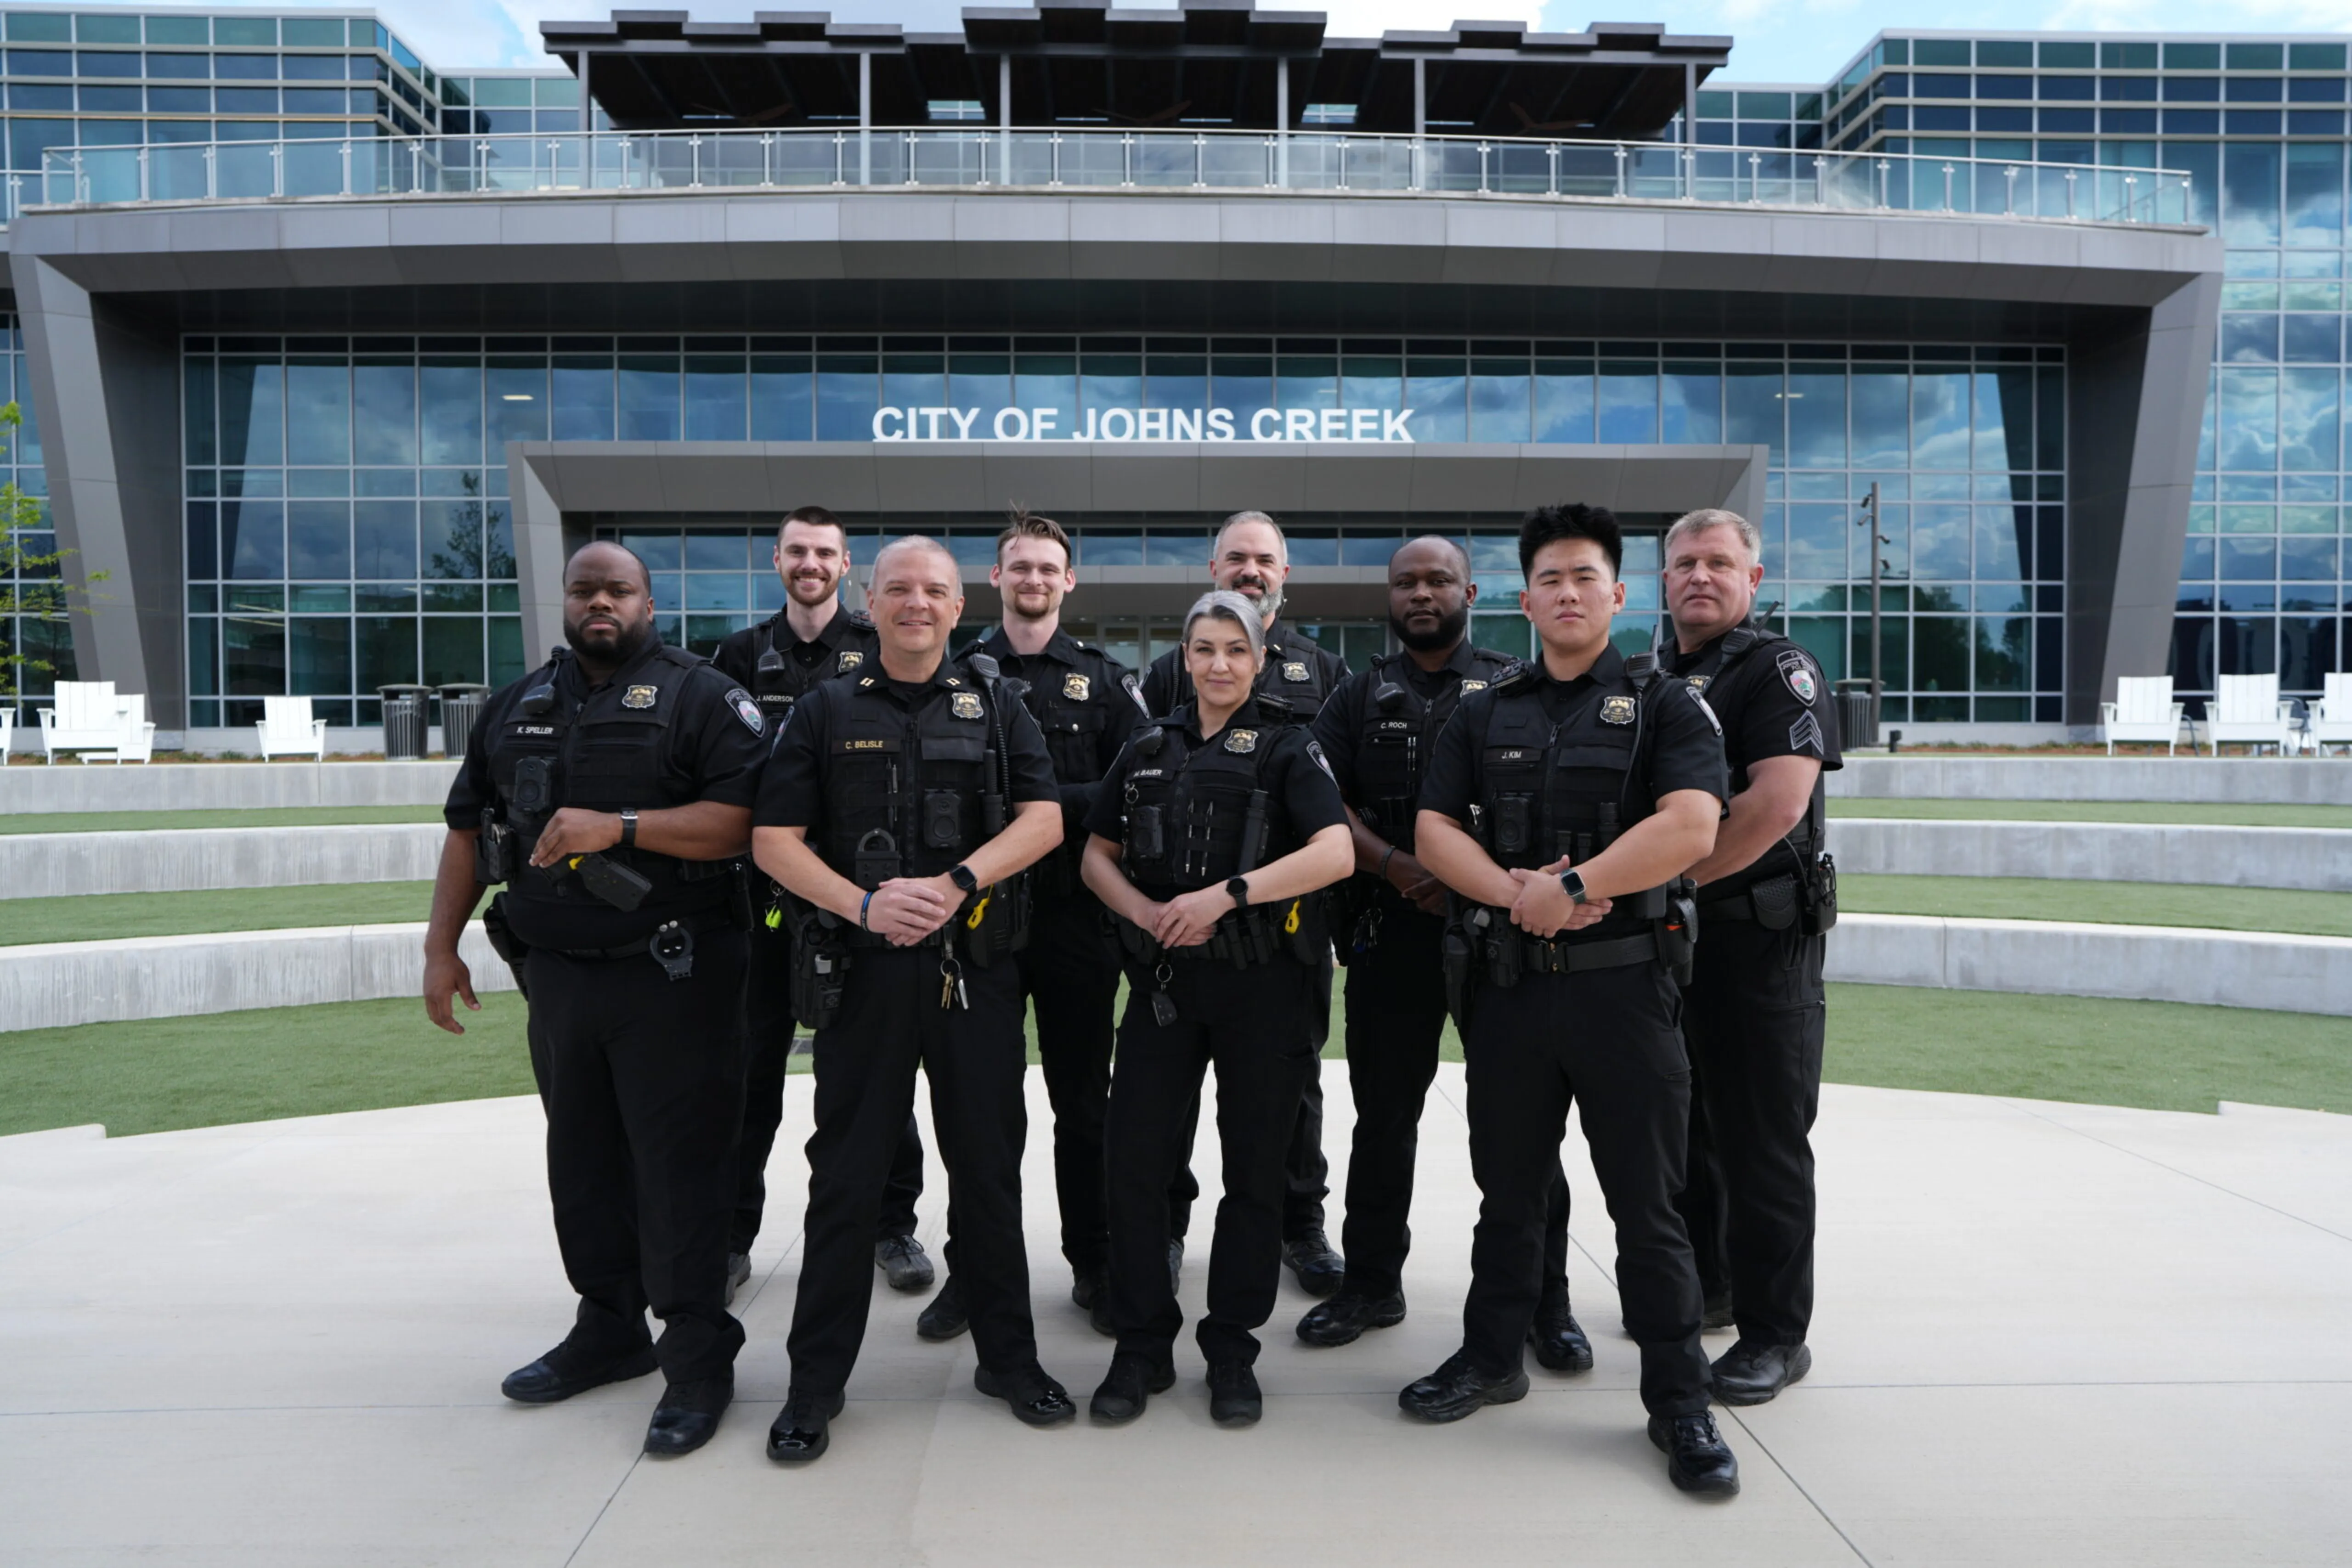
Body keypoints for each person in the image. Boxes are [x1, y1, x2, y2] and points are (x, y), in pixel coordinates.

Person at [1400, 503, 1741, 1498]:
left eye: (1584, 577)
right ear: (1523, 596)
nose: (1565, 593)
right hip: (1509, 994)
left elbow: (1691, 828)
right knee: (1507, 1197)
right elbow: (1430, 830)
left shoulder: (1669, 706)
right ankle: (1491, 1358)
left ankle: (1679, 1404)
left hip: (1625, 994)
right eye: (1548, 578)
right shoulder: (1481, 709)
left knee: (1650, 1208)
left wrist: (1577, 888)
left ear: (1617, 595)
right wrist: (1518, 894)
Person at [423, 540, 766, 1458]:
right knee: (581, 1161)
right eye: (585, 590)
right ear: (566, 602)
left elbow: (747, 823)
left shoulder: (701, 696)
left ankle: (697, 1358)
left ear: (649, 601)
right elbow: (468, 827)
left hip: (677, 975)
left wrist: (617, 826)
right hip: (559, 979)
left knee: (680, 1168)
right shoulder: (518, 705)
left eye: (619, 589)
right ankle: (610, 1326)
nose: (600, 602)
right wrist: (439, 947)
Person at [752, 535, 1073, 1463]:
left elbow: (1044, 819)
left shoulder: (998, 703)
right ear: (870, 595)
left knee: (988, 1174)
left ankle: (1009, 1361)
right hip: (863, 975)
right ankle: (814, 1385)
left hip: (972, 969)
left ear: (956, 599)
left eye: (934, 590)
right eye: (899, 589)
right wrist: (863, 902)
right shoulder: (821, 710)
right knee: (847, 1182)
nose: (917, 604)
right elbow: (775, 838)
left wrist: (960, 882)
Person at [1296, 536, 1587, 1372]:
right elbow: (1325, 803)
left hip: (1501, 935)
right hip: (1392, 931)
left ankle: (1547, 1301)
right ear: (1390, 596)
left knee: (1522, 1132)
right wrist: (1395, 865)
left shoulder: (1510, 686)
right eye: (1406, 582)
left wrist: (1473, 877)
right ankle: (1371, 1285)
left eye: (1437, 580)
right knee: (1384, 1118)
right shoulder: (1356, 696)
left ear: (1470, 588)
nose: (1421, 593)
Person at [1080, 590, 1354, 1425]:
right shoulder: (1146, 745)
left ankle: (1231, 1347)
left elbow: (1336, 852)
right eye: (1204, 649)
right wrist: (1143, 912)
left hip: (1260, 984)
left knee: (1254, 1171)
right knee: (1134, 1167)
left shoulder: (1288, 747)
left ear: (1260, 657)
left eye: (1235, 648)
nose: (1220, 664)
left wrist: (1227, 896)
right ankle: (1141, 1345)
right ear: (1185, 657)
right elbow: (1096, 851)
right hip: (1164, 984)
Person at [914, 510, 1148, 1342]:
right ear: (997, 578)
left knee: (1084, 1103)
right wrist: (1053, 812)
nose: (1034, 580)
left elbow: (1137, 792)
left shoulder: (1107, 682)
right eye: (1020, 567)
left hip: (1077, 926)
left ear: (1069, 580)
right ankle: (974, 1271)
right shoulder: (953, 671)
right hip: (976, 927)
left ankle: (1094, 1259)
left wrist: (1039, 812)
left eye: (1049, 568)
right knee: (979, 1109)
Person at [711, 505, 933, 1305]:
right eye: (797, 551)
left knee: (883, 1078)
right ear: (777, 560)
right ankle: (731, 1236)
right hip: (762, 905)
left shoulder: (879, 650)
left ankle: (891, 1225)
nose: (810, 563)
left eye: (825, 553)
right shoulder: (738, 655)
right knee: (749, 1075)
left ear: (848, 568)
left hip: (859, 903)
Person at [1139, 510, 1349, 1297]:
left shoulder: (1325, 671)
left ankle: (1300, 1226)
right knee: (1172, 1090)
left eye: (1265, 559)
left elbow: (1340, 804)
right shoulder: (1168, 669)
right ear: (1213, 567)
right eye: (1237, 558)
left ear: (1284, 574)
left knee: (1291, 1087)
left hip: (1285, 927)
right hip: (1184, 931)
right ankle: (1168, 1227)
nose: (1251, 570)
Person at [1660, 508, 1842, 1406]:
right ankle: (1716, 1293)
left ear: (1752, 579)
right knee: (1690, 1133)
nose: (1700, 575)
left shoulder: (1778, 670)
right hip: (1678, 946)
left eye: (1717, 562)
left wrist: (1670, 880)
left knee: (1763, 1140)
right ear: (1663, 581)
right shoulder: (1655, 676)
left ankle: (1777, 1335)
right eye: (1684, 562)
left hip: (1760, 942)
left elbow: (1774, 805)